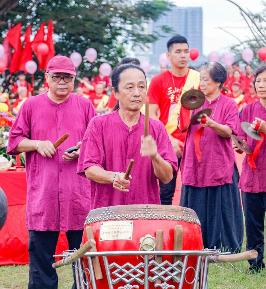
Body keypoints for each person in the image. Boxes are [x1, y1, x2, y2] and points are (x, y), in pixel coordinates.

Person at [7, 55, 97, 289]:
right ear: (46, 78)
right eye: (56, 77)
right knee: (40, 246)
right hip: (43, 188)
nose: (61, 82)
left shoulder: (84, 106)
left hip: (77, 189)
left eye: (67, 78)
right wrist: (37, 144)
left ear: (74, 80)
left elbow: (95, 141)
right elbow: (14, 142)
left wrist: (80, 150)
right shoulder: (31, 105)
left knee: (82, 245)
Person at [78, 63, 178, 209]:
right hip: (108, 212)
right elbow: (89, 168)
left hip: (144, 212)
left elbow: (167, 177)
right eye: (130, 87)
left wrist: (155, 156)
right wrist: (113, 177)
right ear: (116, 93)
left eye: (142, 87)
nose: (137, 93)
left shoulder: (157, 128)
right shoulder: (98, 124)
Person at [180, 62, 243, 252]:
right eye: (201, 79)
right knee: (194, 203)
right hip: (194, 161)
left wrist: (211, 123)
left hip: (218, 163)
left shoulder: (229, 103)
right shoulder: (194, 101)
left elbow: (229, 131)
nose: (202, 83)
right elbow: (181, 125)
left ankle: (223, 245)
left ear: (218, 82)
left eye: (205, 79)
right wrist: (183, 109)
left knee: (220, 206)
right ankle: (193, 244)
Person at [148, 35, 200, 205]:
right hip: (167, 144)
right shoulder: (158, 80)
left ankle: (192, 228)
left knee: (194, 191)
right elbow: (151, 114)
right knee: (165, 193)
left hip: (195, 144)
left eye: (186, 51)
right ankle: (164, 228)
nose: (183, 55)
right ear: (169, 56)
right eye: (178, 52)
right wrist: (169, 140)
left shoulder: (198, 79)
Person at [235, 64, 266, 273]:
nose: (262, 85)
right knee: (253, 223)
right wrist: (240, 146)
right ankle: (255, 263)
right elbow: (241, 138)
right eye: (259, 81)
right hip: (253, 174)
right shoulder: (248, 109)